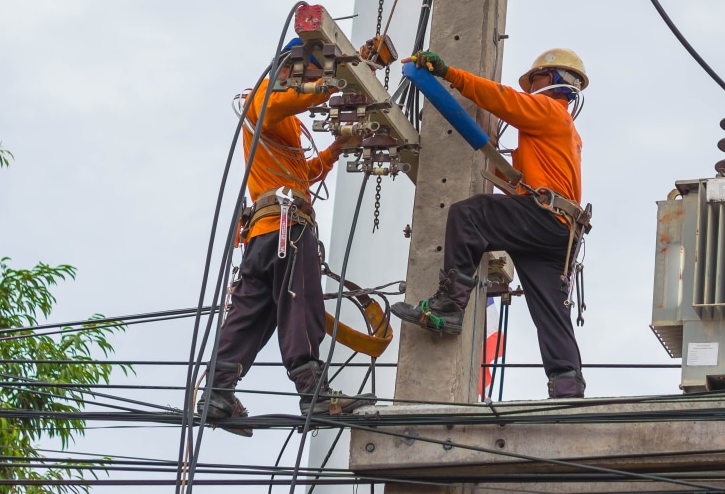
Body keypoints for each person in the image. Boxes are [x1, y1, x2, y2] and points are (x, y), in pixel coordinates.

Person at [198, 39, 375, 437]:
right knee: (300, 307)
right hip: (287, 230)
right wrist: (338, 79)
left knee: (248, 316)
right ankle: (314, 395)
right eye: (312, 73)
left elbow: (299, 175)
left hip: (264, 235)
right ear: (293, 69)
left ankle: (217, 392)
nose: (315, 82)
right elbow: (278, 103)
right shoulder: (263, 96)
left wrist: (334, 150)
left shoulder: (286, 121)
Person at [391, 48, 589, 399]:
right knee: (549, 307)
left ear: (556, 81)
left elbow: (499, 97)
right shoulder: (565, 131)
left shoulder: (547, 110)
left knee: (469, 215)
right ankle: (567, 384)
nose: (531, 87)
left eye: (537, 79)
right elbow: (520, 184)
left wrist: (449, 72)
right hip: (561, 231)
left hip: (546, 218)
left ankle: (449, 306)